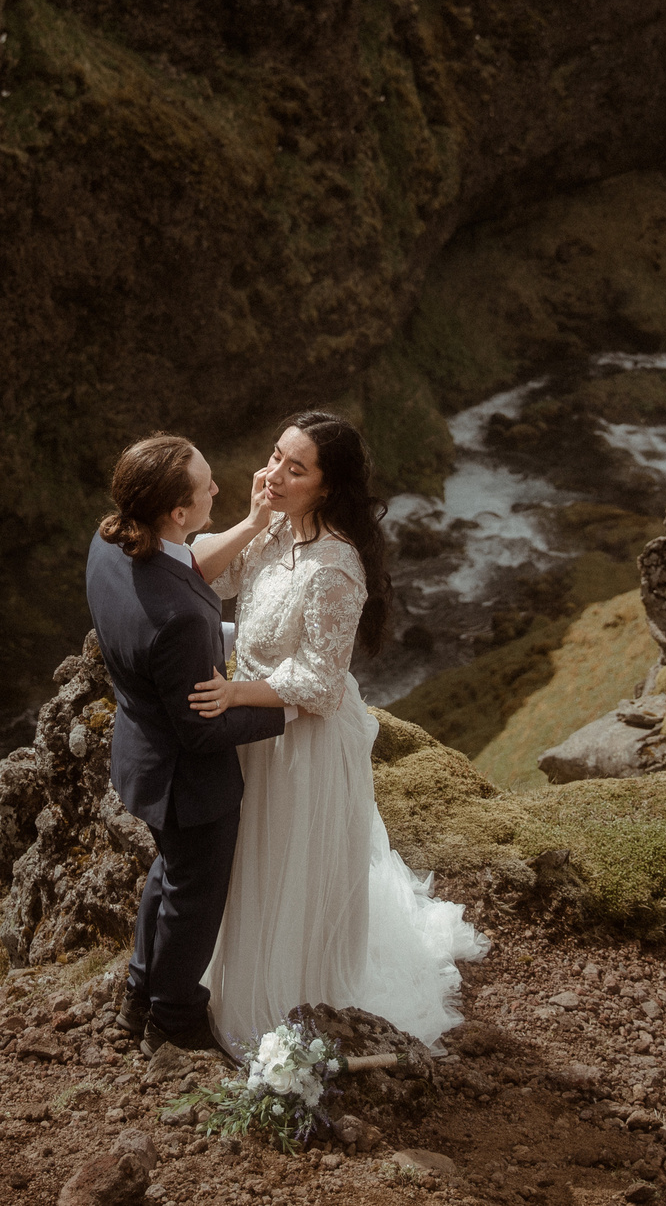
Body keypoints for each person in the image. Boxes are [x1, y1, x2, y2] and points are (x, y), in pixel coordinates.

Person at [187, 410, 483, 1053]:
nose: (275, 473)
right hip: (259, 726)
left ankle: (286, 998)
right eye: (276, 455)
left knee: (286, 870)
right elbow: (201, 572)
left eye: (296, 469)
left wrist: (235, 692)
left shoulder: (335, 567)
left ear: (327, 487)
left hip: (301, 742)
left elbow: (320, 684)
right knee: (250, 864)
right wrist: (252, 522)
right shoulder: (274, 528)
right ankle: (235, 978)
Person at [85, 432, 295, 1055]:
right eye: (207, 486)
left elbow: (186, 568)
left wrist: (252, 525)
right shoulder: (179, 619)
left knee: (169, 876)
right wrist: (289, 708)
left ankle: (137, 994)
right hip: (188, 783)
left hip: (141, 754)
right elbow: (203, 728)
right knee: (194, 900)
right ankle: (173, 1019)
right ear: (178, 512)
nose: (218, 489)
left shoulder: (111, 544)